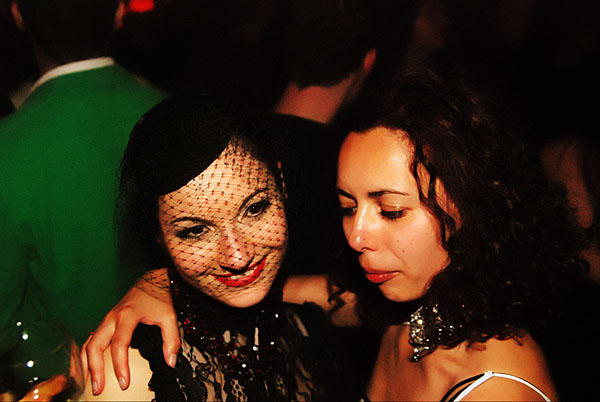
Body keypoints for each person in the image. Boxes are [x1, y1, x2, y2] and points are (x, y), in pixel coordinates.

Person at [332, 71, 586, 401]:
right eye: (348, 207)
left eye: (391, 210)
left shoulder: (497, 391)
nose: (356, 237)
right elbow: (333, 298)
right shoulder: (416, 311)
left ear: (468, 209)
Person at [82, 93, 342, 401]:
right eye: (195, 231)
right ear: (159, 236)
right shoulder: (127, 375)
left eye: (255, 209)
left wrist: (159, 282)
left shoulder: (300, 319)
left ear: (281, 183)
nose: (238, 257)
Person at [0, 0, 166, 346]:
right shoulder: (177, 114)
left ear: (17, 15)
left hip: (72, 373)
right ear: (119, 12)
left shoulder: (8, 147)